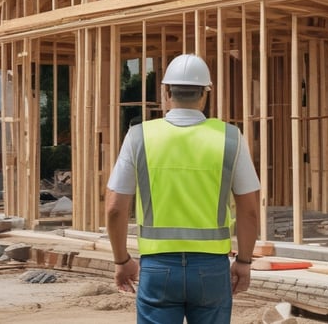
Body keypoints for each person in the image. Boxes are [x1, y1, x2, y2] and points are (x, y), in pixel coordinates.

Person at [106, 53, 261, 324]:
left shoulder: (139, 136)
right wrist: (244, 262)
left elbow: (115, 209)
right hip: (211, 269)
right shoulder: (230, 137)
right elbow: (249, 210)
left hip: (157, 267)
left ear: (166, 92)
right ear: (205, 95)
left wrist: (121, 261)